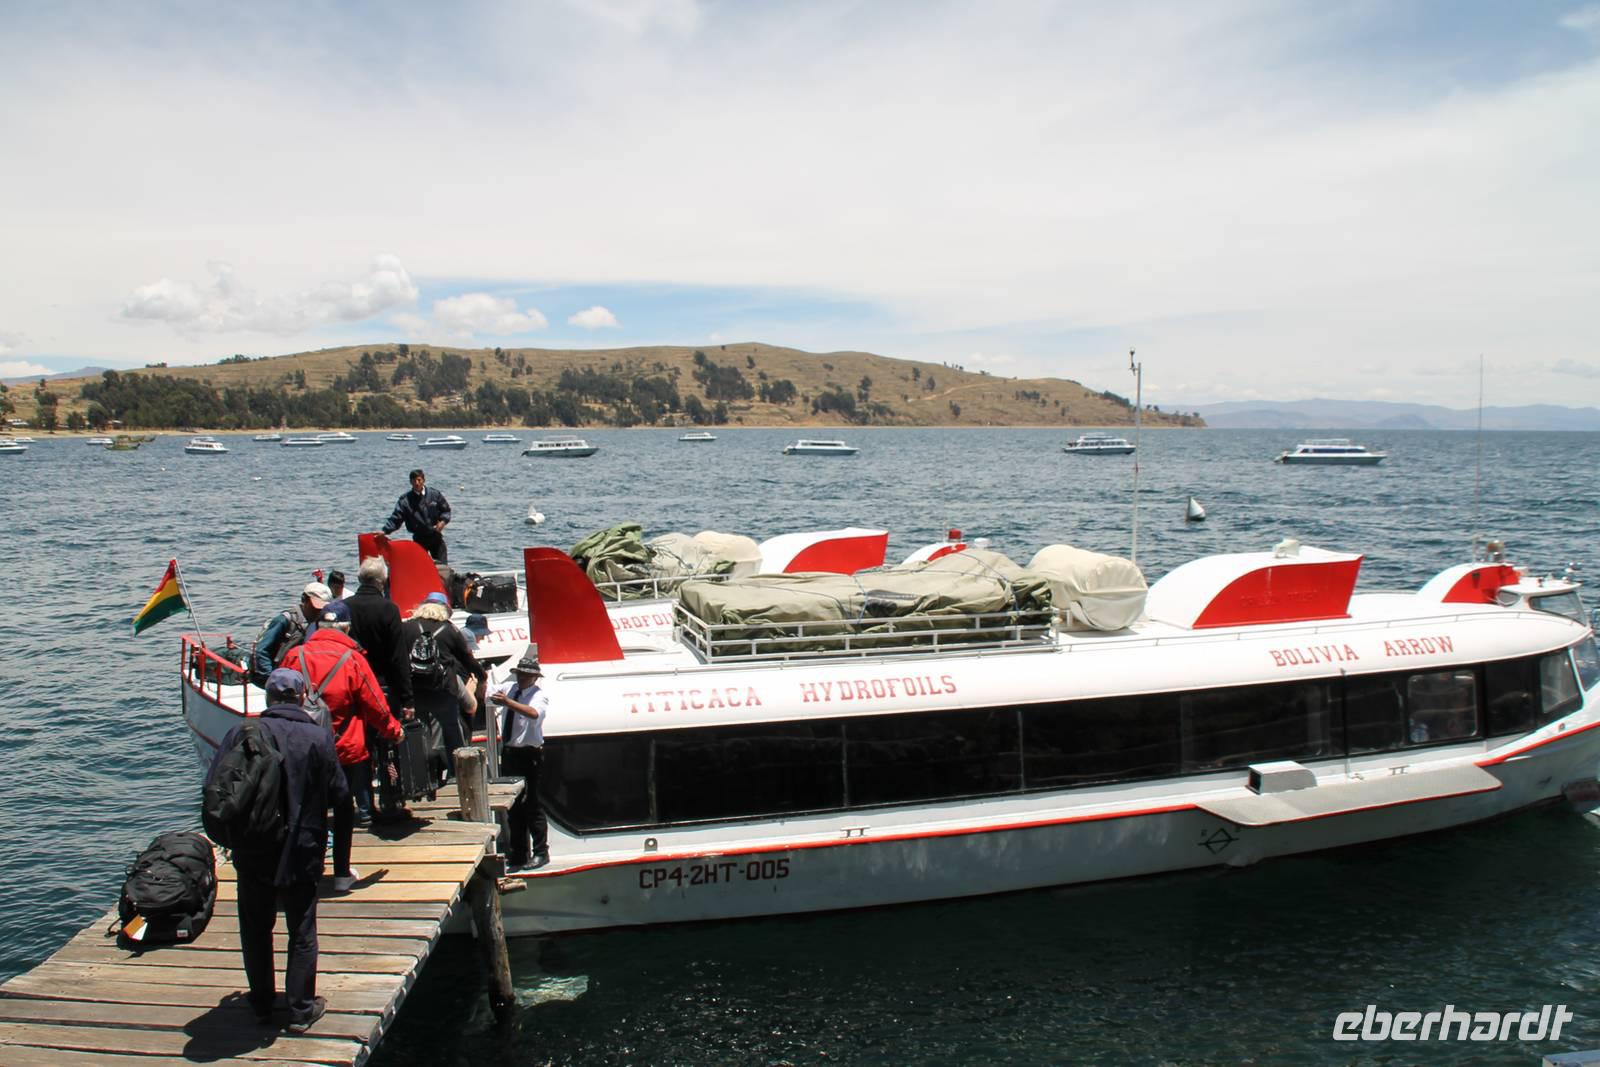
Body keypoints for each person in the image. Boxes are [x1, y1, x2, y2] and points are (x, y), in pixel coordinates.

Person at [205, 667, 346, 1032]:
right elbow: (339, 793)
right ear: (300, 698)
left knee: (255, 927)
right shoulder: (317, 736)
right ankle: (300, 1010)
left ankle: (262, 1005)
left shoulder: (241, 732)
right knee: (301, 929)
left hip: (253, 847)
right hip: (301, 848)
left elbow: (216, 785)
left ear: (268, 698)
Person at [289, 600, 405, 891]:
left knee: (306, 810)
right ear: (346, 628)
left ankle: (308, 868)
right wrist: (394, 731)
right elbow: (375, 704)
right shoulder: (352, 659)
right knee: (342, 810)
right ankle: (341, 873)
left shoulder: (294, 656)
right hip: (342, 748)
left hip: (301, 747)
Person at [402, 592, 486, 781]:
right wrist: (482, 677)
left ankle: (423, 777)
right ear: (445, 610)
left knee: (420, 734)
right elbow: (467, 658)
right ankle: (459, 775)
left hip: (416, 689)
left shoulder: (407, 627)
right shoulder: (450, 630)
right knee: (452, 731)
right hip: (443, 689)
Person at [489, 647, 549, 871]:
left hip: (529, 755)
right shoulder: (510, 689)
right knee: (513, 806)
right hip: (511, 753)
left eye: (526, 675)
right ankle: (519, 853)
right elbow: (488, 694)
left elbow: (533, 713)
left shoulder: (538, 695)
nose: (522, 678)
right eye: (520, 674)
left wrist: (507, 702)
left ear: (534, 677)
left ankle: (541, 852)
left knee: (533, 805)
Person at [345, 555, 414, 721]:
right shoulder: (389, 609)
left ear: (360, 579)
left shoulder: (345, 606)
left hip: (352, 682)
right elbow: (398, 656)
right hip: (383, 684)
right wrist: (408, 699)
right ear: (382, 581)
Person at [249, 582, 331, 687]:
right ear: (304, 600)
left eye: (322, 609)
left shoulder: (320, 624)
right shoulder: (284, 621)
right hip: (278, 677)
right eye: (315, 607)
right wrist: (271, 679)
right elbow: (262, 650)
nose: (318, 611)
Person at [381, 469, 452, 563]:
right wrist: (385, 531)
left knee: (443, 567)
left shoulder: (434, 495)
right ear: (410, 482)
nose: (417, 483)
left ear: (423, 480)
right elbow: (396, 518)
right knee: (420, 566)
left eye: (419, 480)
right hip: (419, 539)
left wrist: (443, 522)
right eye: (414, 481)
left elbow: (446, 510)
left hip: (436, 536)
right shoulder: (405, 501)